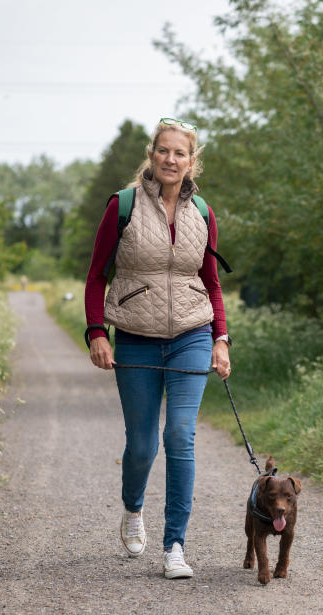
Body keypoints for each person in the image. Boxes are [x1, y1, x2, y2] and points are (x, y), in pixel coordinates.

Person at [84, 117, 231, 579]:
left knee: (179, 436)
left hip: (191, 334)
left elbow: (211, 282)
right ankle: (133, 508)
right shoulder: (122, 206)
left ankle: (175, 547)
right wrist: (96, 331)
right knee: (144, 445)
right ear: (151, 155)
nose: (171, 159)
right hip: (137, 340)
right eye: (163, 151)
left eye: (180, 153)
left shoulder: (202, 213)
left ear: (192, 162)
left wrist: (221, 339)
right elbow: (95, 277)